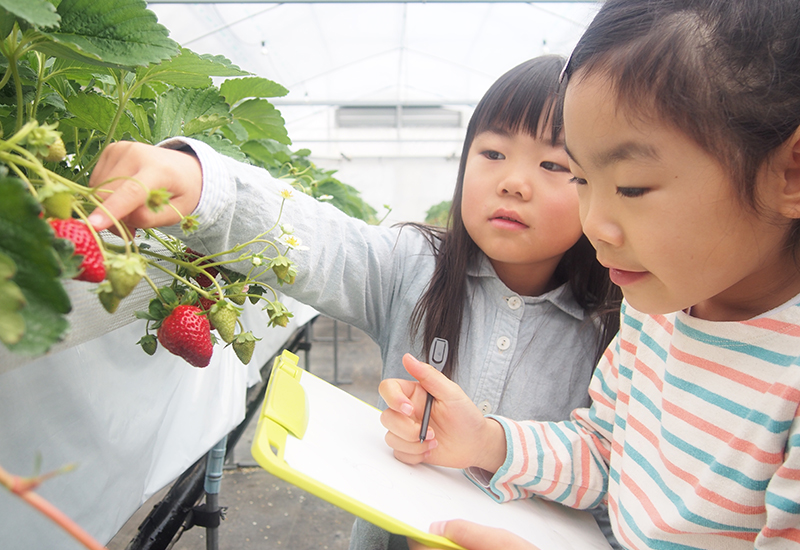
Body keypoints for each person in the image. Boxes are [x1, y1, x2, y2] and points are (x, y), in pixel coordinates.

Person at [86, 56, 621, 549]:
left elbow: (624, 483)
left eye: (553, 165)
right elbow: (323, 241)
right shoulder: (415, 268)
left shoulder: (624, 327)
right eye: (493, 152)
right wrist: (204, 186)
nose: (513, 182)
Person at [378, 0, 800, 549]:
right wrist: (486, 443)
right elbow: (605, 453)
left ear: (789, 173)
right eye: (580, 178)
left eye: (631, 187)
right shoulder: (656, 319)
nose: (594, 224)